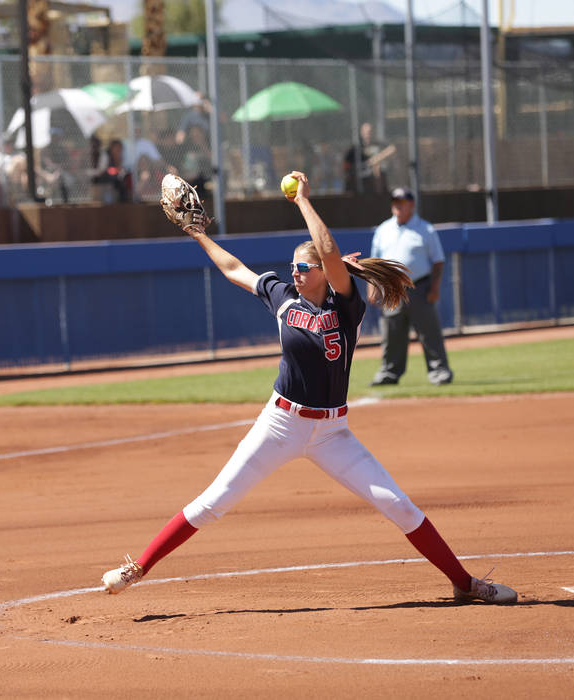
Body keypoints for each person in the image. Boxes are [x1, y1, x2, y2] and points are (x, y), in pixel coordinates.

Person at [100, 171, 516, 605]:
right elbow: (233, 269)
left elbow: (331, 251)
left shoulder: (346, 305)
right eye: (292, 268)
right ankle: (139, 567)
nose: (294, 274)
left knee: (400, 506)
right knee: (213, 503)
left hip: (333, 433)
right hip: (280, 423)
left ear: (322, 272)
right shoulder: (282, 298)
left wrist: (302, 201)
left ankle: (465, 584)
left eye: (303, 268)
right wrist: (196, 233)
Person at [369, 186, 454, 386]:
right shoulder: (383, 230)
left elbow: (438, 261)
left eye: (402, 202)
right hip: (391, 289)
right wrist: (372, 288)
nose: (398, 206)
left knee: (429, 333)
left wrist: (434, 288)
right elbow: (375, 263)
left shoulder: (425, 229)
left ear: (412, 205)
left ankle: (439, 372)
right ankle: (389, 373)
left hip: (419, 287)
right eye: (395, 202)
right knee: (391, 334)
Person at [343, 122, 393, 195]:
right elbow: (347, 164)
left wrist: (376, 159)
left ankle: (379, 196)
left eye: (370, 131)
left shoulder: (377, 144)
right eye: (366, 131)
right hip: (359, 173)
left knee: (377, 167)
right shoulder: (356, 147)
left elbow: (391, 149)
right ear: (361, 132)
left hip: (375, 173)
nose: (368, 133)